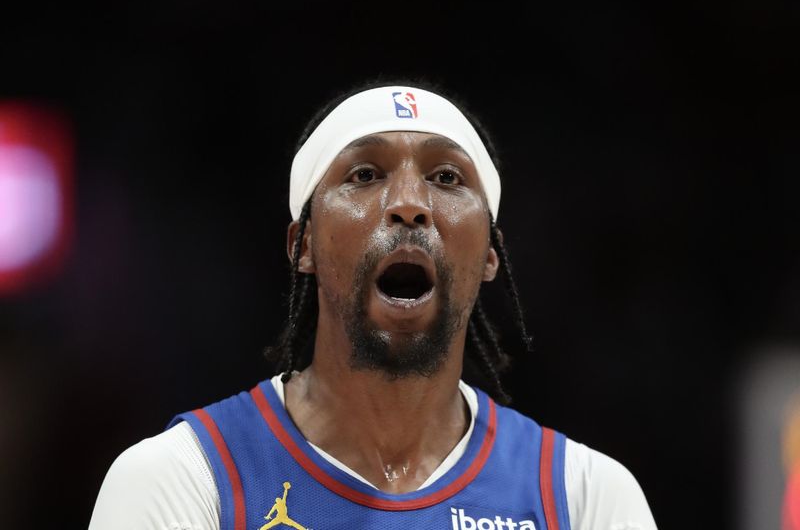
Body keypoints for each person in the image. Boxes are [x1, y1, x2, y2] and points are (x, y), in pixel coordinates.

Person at [89, 81, 658, 530]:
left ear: (490, 253)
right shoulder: (182, 480)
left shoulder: (585, 499)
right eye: (365, 174)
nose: (409, 204)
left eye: (445, 177)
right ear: (303, 245)